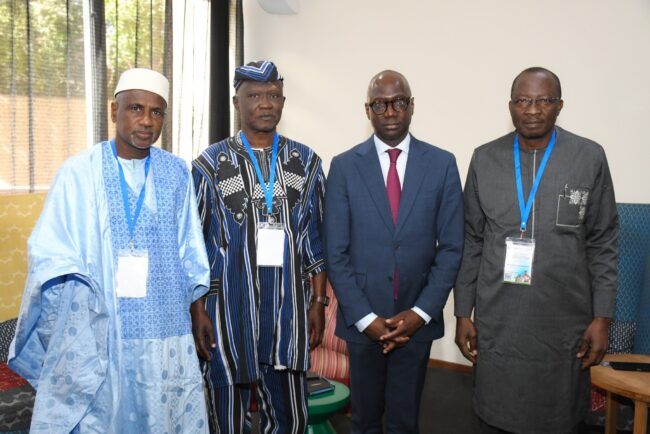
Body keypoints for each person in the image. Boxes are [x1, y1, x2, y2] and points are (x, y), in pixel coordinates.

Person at [8, 68, 211, 433]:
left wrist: (198, 310)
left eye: (157, 112)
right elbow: (48, 247)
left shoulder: (177, 172)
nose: (146, 121)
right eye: (136, 108)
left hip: (163, 322)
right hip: (101, 322)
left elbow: (190, 247)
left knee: (163, 413)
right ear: (114, 110)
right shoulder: (78, 172)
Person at [454, 67, 619, 434]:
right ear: (510, 106)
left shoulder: (588, 157)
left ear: (560, 105)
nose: (531, 110)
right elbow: (472, 239)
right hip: (499, 319)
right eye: (523, 101)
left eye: (543, 100)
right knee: (495, 414)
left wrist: (602, 317)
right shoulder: (485, 158)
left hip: (565, 320)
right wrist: (463, 311)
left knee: (559, 417)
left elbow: (603, 241)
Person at [190, 60, 327, 434]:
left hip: (288, 311)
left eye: (273, 95)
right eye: (254, 96)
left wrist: (318, 302)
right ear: (237, 102)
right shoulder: (208, 165)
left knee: (290, 418)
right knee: (226, 419)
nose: (265, 103)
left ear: (283, 101)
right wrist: (197, 310)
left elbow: (316, 240)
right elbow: (195, 247)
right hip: (227, 313)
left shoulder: (306, 162)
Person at [324, 70, 464, 433]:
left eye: (398, 102)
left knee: (405, 422)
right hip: (362, 321)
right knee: (364, 422)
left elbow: (452, 248)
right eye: (380, 104)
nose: (390, 111)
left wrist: (420, 313)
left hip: (417, 320)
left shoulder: (442, 164)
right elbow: (335, 253)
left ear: (412, 106)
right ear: (367, 110)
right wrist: (365, 318)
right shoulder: (344, 167)